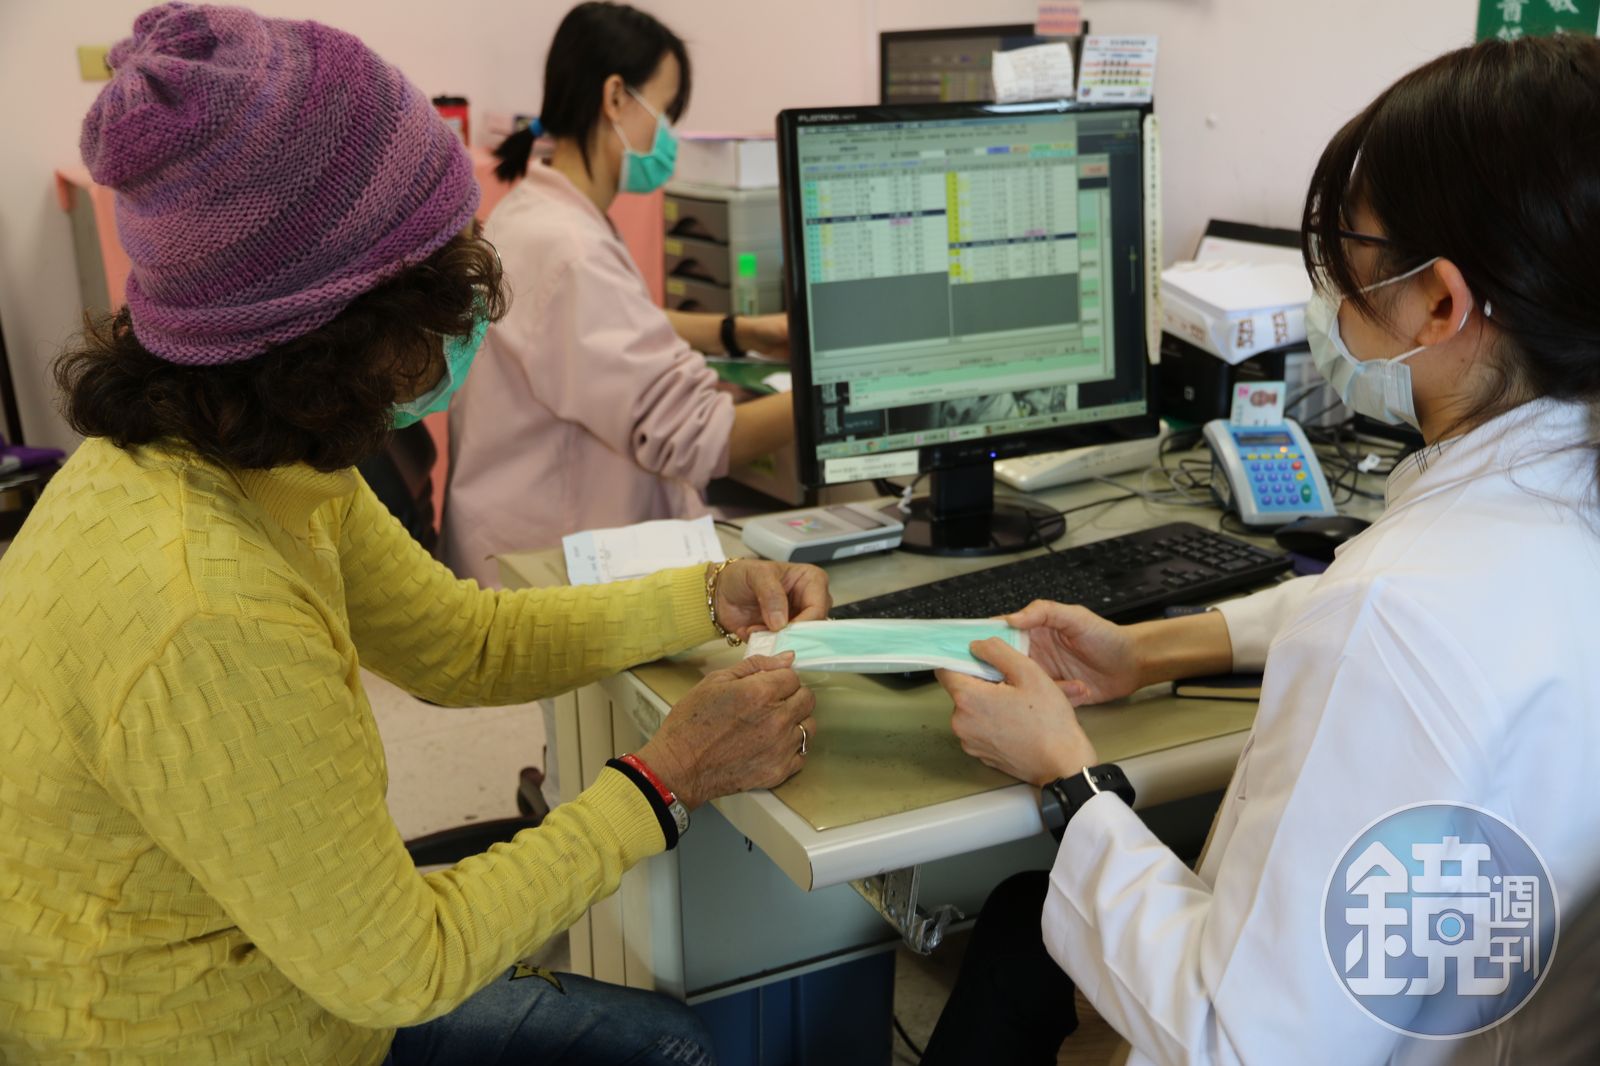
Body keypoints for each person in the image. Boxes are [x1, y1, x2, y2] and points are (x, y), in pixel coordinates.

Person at [0, 6, 830, 1064]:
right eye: (440, 280)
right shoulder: (204, 603)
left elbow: (460, 643)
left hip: (288, 972)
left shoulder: (257, 453)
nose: (468, 308)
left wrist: (704, 594)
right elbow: (405, 967)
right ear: (336, 333)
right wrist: (663, 781)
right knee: (674, 1049)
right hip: (213, 1037)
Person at [920, 34, 1600, 1066]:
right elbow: (1412, 631)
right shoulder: (1543, 508)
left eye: (1357, 246)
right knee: (1023, 925)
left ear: (1440, 301)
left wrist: (1068, 776)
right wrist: (1151, 650)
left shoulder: (1399, 611)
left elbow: (1236, 1043)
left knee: (1029, 923)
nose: (1337, 283)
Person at [441, 1, 794, 585]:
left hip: (516, 546)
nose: (667, 137)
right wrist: (840, 390)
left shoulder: (538, 213)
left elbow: (609, 325)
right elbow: (701, 438)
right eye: (664, 111)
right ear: (614, 98)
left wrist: (738, 331)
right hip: (548, 577)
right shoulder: (570, 250)